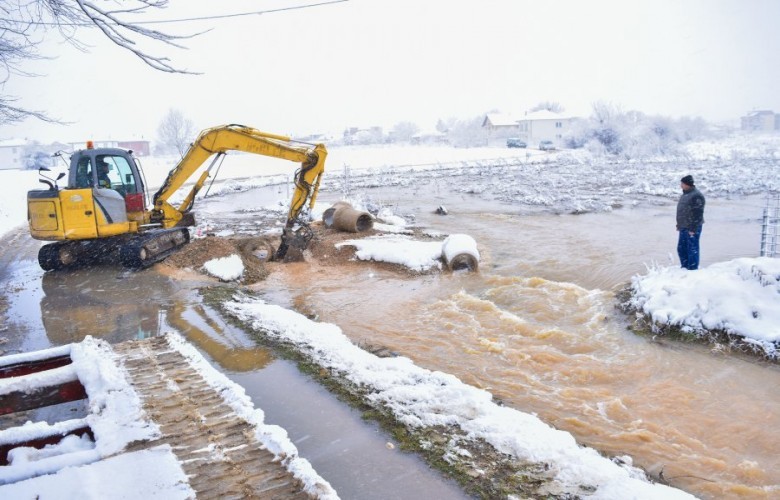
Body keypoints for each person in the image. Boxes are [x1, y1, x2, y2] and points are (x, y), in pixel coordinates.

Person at [676, 174, 705, 270]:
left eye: (682, 183)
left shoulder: (697, 196)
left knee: (692, 249)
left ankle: (692, 270)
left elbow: (698, 214)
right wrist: (679, 224)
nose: (681, 185)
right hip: (683, 226)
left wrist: (693, 228)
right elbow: (682, 210)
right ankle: (684, 267)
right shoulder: (685, 194)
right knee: (681, 248)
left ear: (688, 184)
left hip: (692, 227)